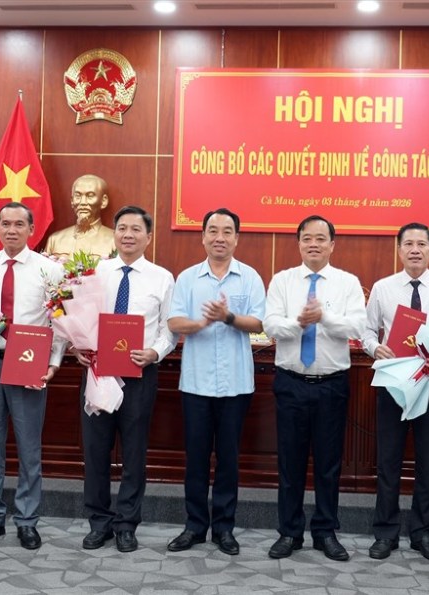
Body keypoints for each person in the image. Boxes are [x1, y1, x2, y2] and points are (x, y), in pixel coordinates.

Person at [0, 203, 66, 550]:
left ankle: (27, 520)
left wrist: (55, 361)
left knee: (28, 445)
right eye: (5, 224)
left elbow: (60, 321)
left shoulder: (50, 270)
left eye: (20, 224)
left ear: (32, 230)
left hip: (30, 361)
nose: (12, 230)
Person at [262, 215, 365, 562]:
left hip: (331, 386)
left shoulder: (348, 283)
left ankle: (325, 532)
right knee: (290, 463)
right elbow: (271, 324)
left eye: (321, 239)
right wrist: (299, 322)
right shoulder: (283, 281)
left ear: (332, 245)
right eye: (307, 238)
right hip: (290, 383)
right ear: (299, 243)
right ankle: (289, 533)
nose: (314, 244)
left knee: (328, 464)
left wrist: (325, 318)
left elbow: (357, 326)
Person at [165, 208, 266, 556]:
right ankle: (194, 526)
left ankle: (224, 529)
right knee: (195, 458)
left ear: (237, 238)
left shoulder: (250, 277)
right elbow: (175, 322)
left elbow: (258, 324)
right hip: (195, 384)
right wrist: (201, 324)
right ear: (203, 237)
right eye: (213, 230)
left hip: (236, 385)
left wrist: (227, 317)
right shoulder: (188, 278)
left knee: (228, 459)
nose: (219, 237)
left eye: (227, 231)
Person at [362, 222, 429, 562]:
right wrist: (375, 348)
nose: (415, 249)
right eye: (409, 243)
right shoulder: (383, 287)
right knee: (388, 461)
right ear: (399, 249)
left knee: (428, 462)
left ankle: (423, 534)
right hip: (394, 382)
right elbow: (366, 331)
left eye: (422, 244)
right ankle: (385, 533)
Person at [77, 205, 176, 553]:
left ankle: (126, 524)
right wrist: (79, 346)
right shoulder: (95, 273)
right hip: (98, 372)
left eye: (136, 229)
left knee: (134, 454)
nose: (128, 235)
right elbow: (80, 318)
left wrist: (156, 352)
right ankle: (98, 522)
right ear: (114, 233)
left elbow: (169, 330)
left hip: (139, 375)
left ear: (149, 237)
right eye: (122, 228)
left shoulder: (162, 278)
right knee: (96, 451)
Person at [43, 174, 116, 258]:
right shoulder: (55, 240)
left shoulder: (114, 241)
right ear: (72, 201)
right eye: (78, 196)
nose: (83, 202)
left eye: (90, 196)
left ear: (103, 201)